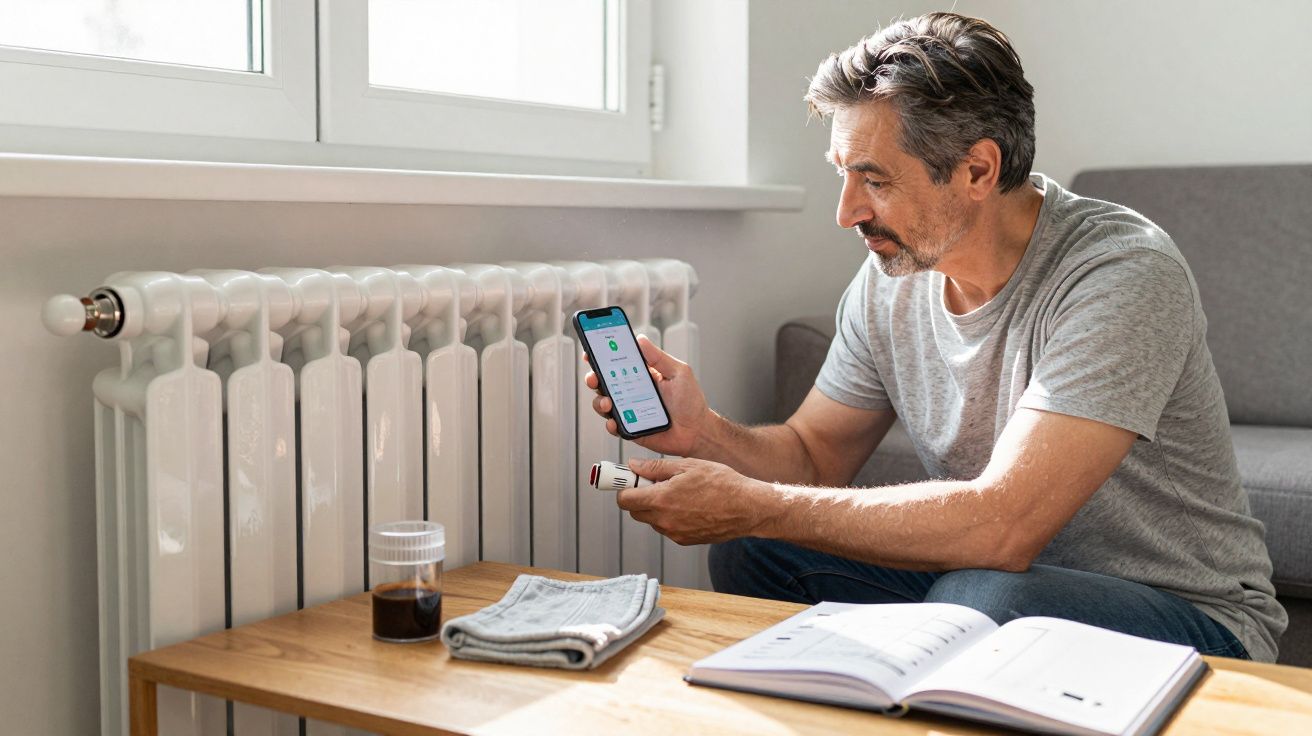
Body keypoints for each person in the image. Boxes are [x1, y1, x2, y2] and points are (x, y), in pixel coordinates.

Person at [582, 12, 1286, 662]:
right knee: (755, 552)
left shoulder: (1122, 273)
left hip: (1192, 614)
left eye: (875, 180)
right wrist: (704, 433)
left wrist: (760, 502)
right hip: (1001, 580)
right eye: (843, 174)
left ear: (978, 170)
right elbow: (812, 455)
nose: (846, 211)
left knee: (984, 599)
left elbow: (1002, 528)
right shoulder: (892, 276)